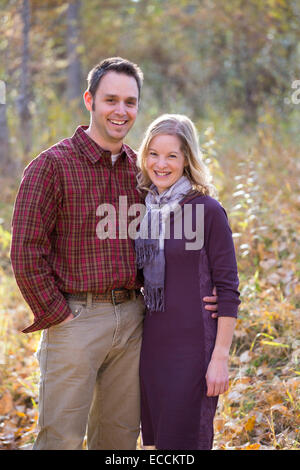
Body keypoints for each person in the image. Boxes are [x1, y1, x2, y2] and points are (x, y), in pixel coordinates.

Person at [10, 58, 218, 450]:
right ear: (90, 100)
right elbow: (25, 250)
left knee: (120, 439)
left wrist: (211, 289)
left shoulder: (141, 173)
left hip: (135, 320)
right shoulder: (51, 166)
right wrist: (60, 315)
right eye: (110, 100)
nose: (121, 111)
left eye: (130, 101)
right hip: (76, 317)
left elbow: (179, 239)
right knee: (61, 438)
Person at [135, 114, 240, 450]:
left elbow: (227, 290)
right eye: (153, 153)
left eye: (171, 156)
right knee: (157, 445)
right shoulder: (145, 210)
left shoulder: (208, 210)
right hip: (152, 347)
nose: (160, 164)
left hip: (193, 348)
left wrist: (220, 357)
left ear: (187, 160)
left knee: (185, 443)